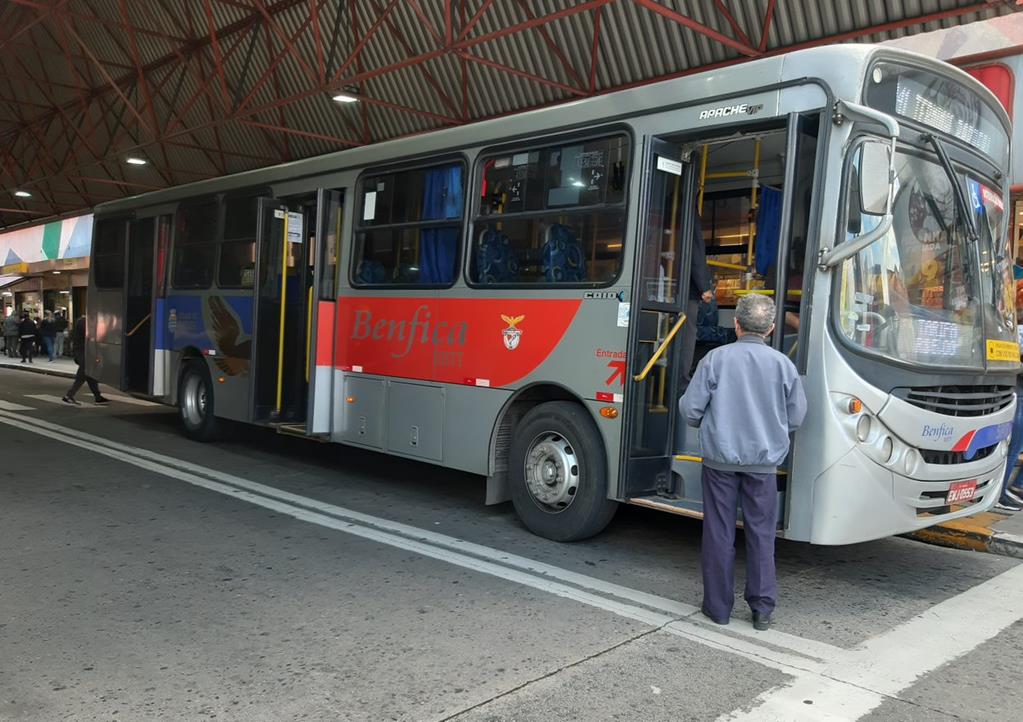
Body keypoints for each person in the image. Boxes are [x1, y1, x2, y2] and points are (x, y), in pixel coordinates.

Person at [679, 294, 807, 631]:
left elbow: (690, 409)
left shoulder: (715, 360)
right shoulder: (784, 365)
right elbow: (796, 416)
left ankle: (718, 608)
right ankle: (762, 610)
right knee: (762, 534)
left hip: (720, 462)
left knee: (719, 532)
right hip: (763, 466)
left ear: (735, 324)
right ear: (772, 328)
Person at [679, 218, 715, 384]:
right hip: (687, 290)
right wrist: (704, 286)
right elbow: (695, 252)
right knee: (687, 334)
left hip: (669, 285)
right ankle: (682, 380)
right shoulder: (687, 211)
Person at [62, 314, 108, 405]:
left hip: (84, 351)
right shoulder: (83, 322)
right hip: (82, 351)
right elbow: (89, 334)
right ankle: (69, 395)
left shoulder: (83, 321)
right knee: (83, 373)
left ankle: (97, 396)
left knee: (90, 374)